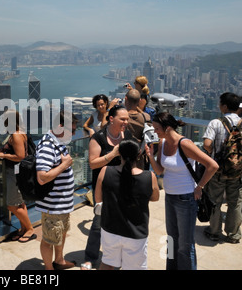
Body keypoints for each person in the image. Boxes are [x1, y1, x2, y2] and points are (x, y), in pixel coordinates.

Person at [145, 112, 218, 270]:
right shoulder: (163, 143)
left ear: (168, 127)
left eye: (157, 128)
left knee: (185, 245)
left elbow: (212, 166)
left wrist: (200, 186)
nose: (155, 131)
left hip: (185, 198)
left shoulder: (185, 144)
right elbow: (159, 171)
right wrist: (151, 156)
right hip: (169, 197)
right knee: (171, 239)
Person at [81, 105, 132, 270]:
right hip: (102, 188)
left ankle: (117, 256)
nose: (126, 122)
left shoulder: (127, 136)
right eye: (122, 119)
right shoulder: (99, 138)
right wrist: (113, 154)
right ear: (111, 119)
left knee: (121, 224)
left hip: (123, 187)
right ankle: (90, 258)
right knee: (98, 224)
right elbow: (93, 163)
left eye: (127, 119)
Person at [95, 140, 159, 270]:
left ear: (119, 154)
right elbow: (155, 197)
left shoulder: (105, 171)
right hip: (136, 233)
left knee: (107, 263)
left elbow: (98, 198)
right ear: (139, 154)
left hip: (110, 229)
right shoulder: (149, 176)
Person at [36, 111, 78, 270]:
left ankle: (59, 260)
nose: (74, 133)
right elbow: (42, 177)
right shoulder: (47, 146)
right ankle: (49, 269)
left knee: (61, 233)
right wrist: (64, 166)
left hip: (61, 204)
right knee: (48, 239)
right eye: (72, 130)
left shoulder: (57, 141)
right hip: (52, 206)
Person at [202, 92, 242, 243]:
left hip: (218, 170)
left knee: (215, 201)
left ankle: (214, 232)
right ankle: (233, 234)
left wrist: (213, 153)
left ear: (224, 106)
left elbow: (206, 144)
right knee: (235, 203)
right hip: (237, 171)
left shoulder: (216, 123)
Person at [0, 110, 35, 242]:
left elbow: (20, 156)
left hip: (16, 173)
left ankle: (30, 228)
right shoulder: (18, 132)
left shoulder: (17, 135)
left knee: (11, 205)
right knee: (20, 203)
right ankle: (23, 228)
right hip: (17, 172)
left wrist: (4, 155)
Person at [124, 89, 151, 169]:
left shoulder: (121, 117)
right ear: (139, 100)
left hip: (123, 155)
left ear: (126, 99)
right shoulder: (146, 117)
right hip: (140, 156)